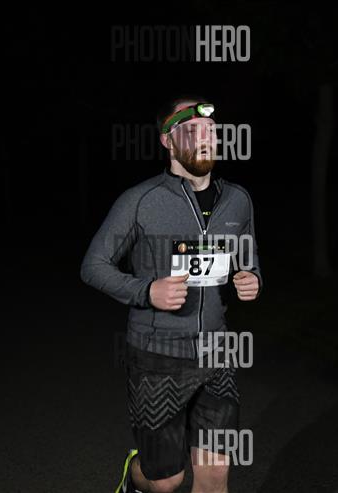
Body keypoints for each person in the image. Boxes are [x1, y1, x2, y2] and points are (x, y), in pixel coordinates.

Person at [80, 96, 262, 493]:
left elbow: (247, 256)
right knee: (166, 481)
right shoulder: (140, 200)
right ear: (168, 140)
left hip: (217, 353)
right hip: (157, 357)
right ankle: (136, 477)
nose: (206, 138)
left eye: (212, 130)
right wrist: (147, 290)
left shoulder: (238, 199)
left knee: (215, 474)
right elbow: (93, 266)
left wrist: (252, 278)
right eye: (193, 130)